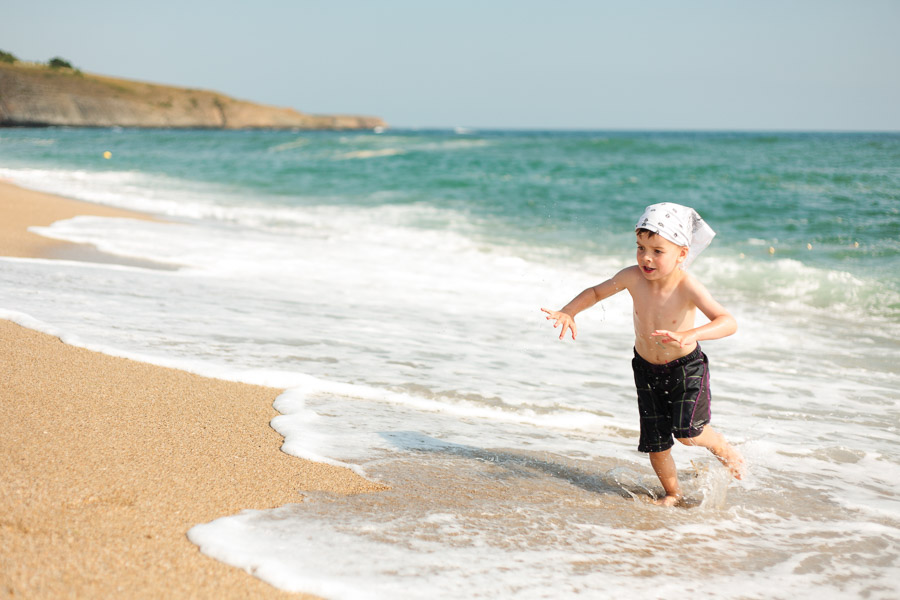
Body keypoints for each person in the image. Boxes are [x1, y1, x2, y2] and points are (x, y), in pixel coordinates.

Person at [541, 202, 744, 507]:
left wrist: (691, 334)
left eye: (658, 251)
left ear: (682, 254)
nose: (646, 258)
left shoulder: (687, 285)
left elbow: (727, 321)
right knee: (655, 442)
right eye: (640, 247)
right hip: (646, 368)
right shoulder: (632, 276)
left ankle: (728, 453)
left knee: (688, 433)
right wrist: (569, 311)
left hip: (685, 368)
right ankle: (673, 493)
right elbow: (596, 292)